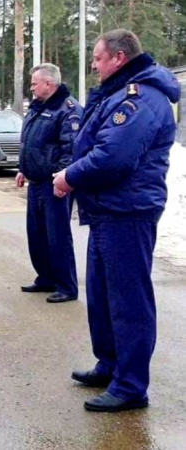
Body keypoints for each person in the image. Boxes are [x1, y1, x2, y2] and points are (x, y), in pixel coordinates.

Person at [53, 29, 180, 412]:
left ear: (119, 58)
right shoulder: (117, 93)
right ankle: (110, 365)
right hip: (108, 210)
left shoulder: (140, 99)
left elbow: (113, 156)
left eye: (97, 57)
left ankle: (131, 386)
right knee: (103, 297)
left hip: (128, 212)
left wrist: (70, 176)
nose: (93, 64)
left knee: (128, 302)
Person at [17, 63, 82, 303]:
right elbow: (30, 143)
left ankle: (66, 285)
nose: (31, 87)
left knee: (58, 236)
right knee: (37, 235)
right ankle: (46, 278)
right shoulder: (37, 107)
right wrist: (23, 169)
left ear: (48, 83)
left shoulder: (68, 109)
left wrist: (62, 178)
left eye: (34, 83)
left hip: (54, 184)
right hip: (35, 182)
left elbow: (72, 149)